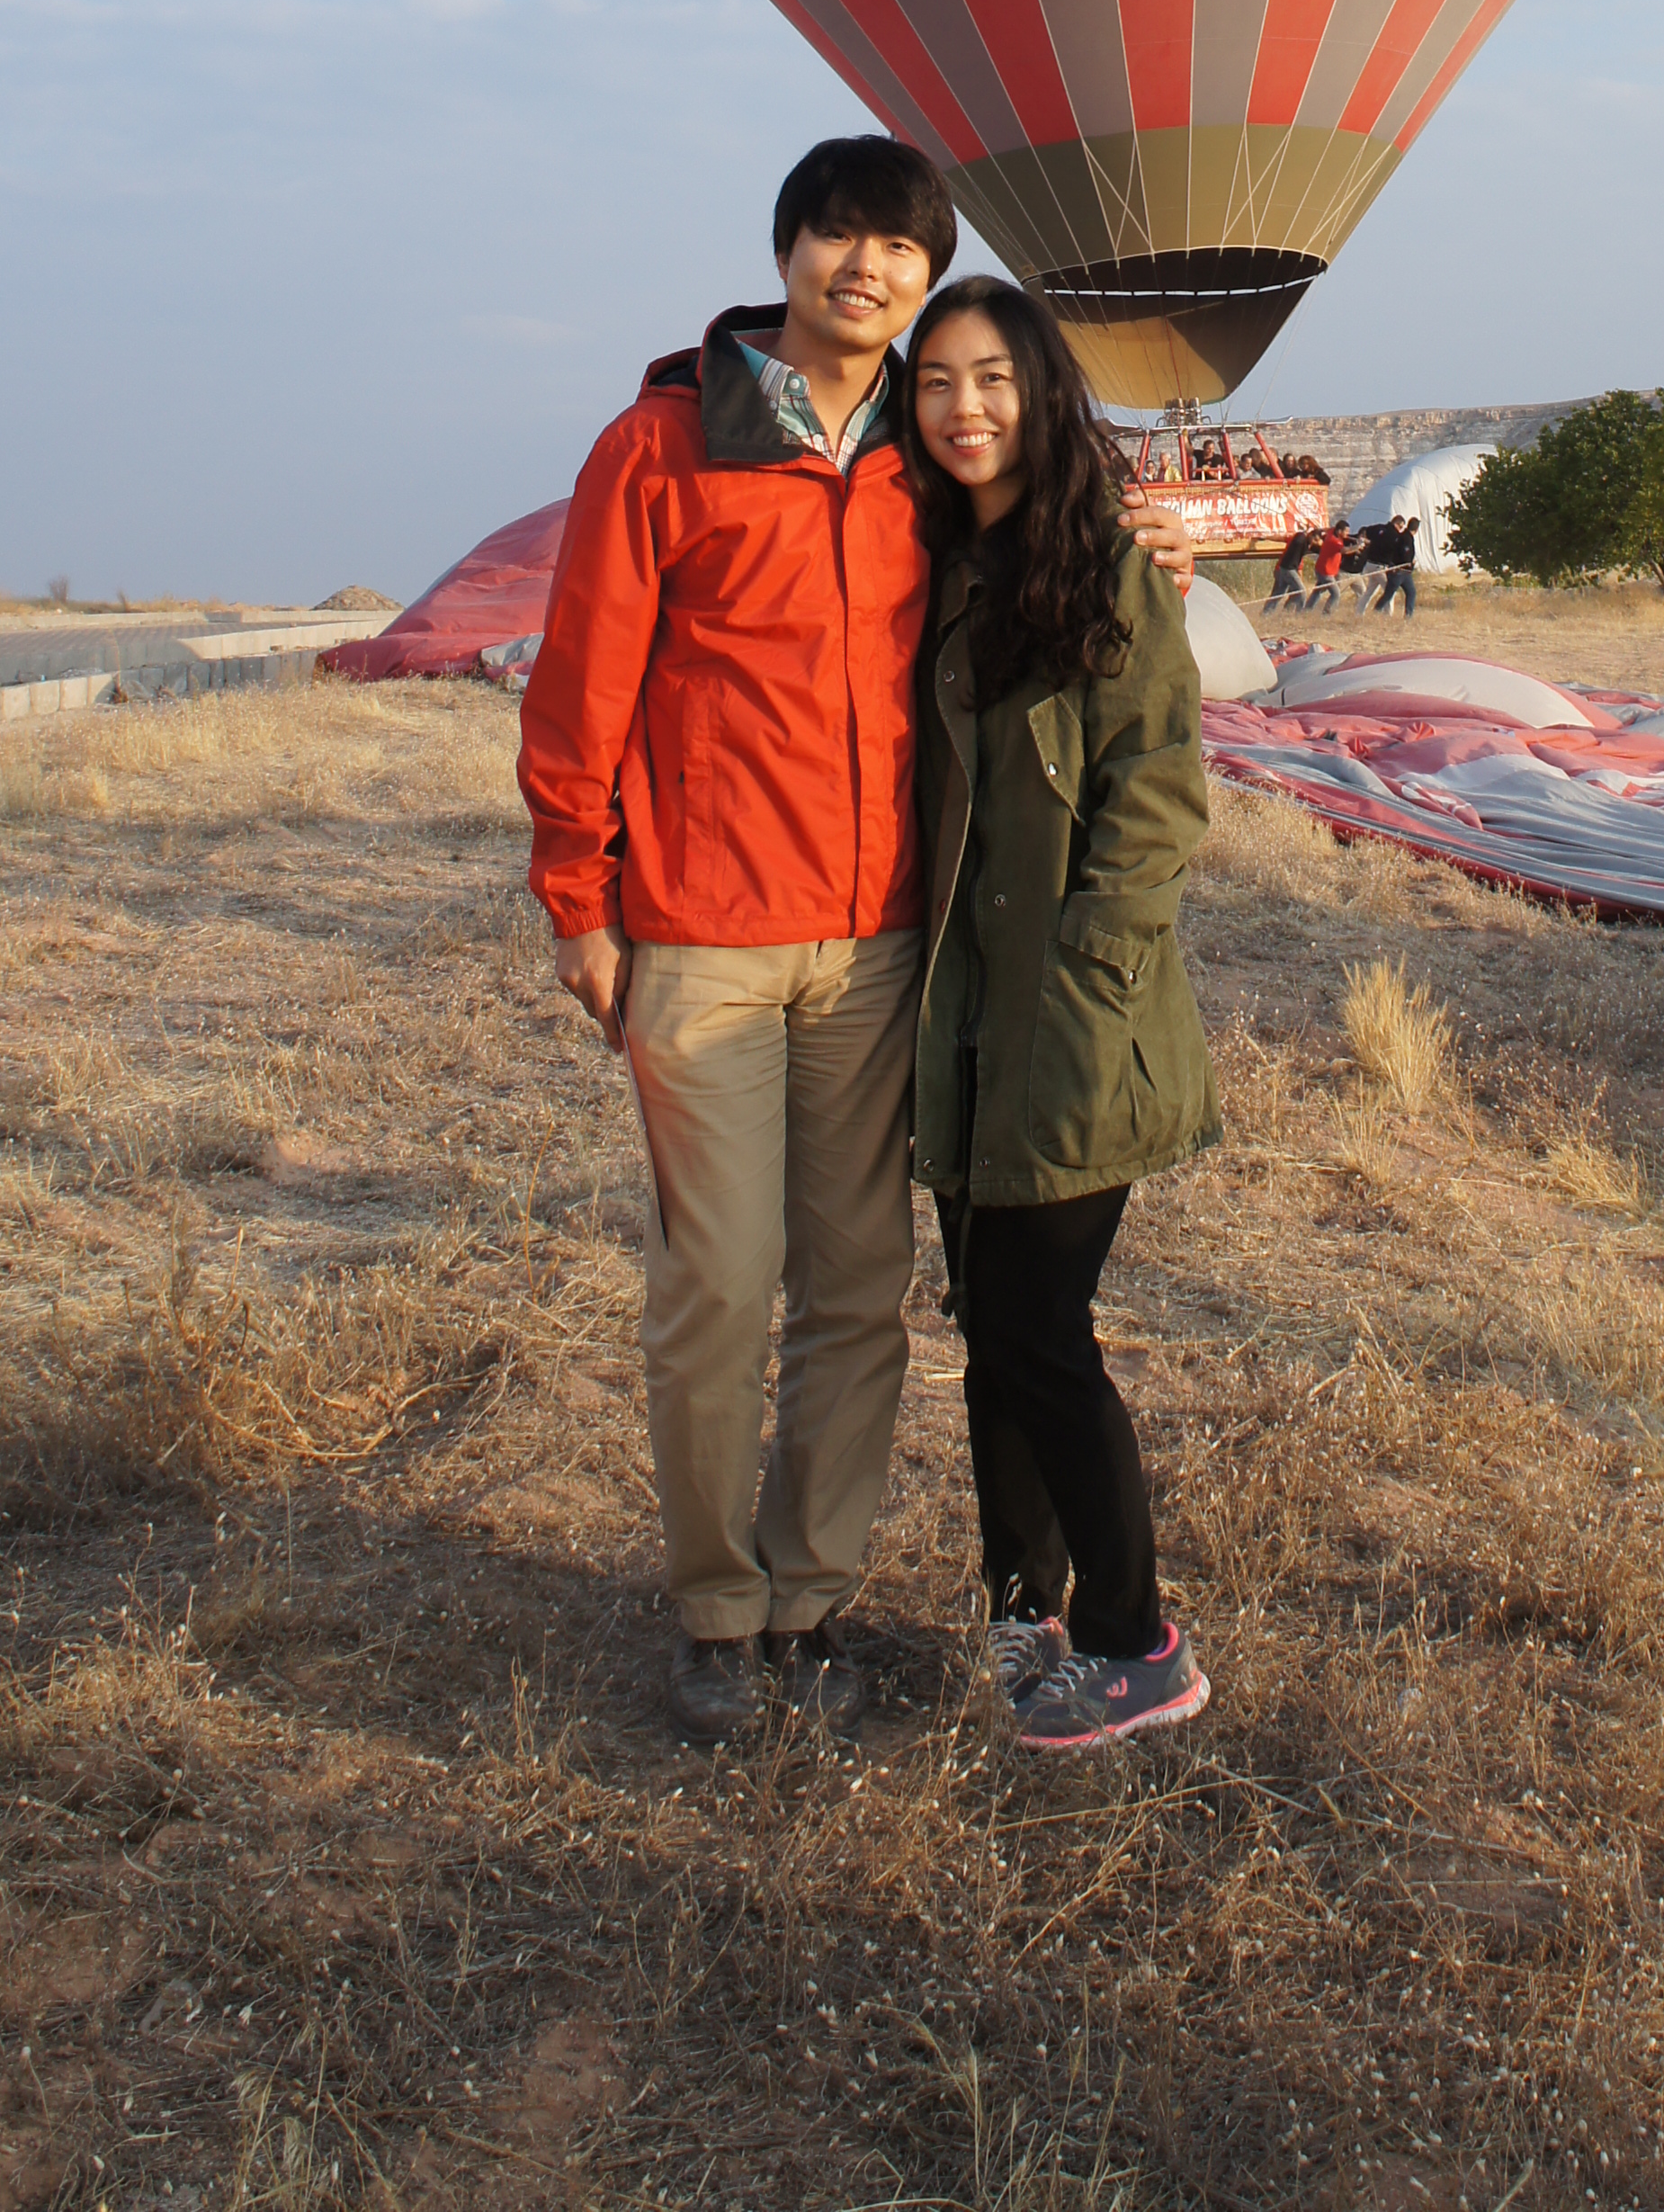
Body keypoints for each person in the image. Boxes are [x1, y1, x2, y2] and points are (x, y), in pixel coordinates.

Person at [516, 134, 1193, 1748]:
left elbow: (1046, 539)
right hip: (702, 934)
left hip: (886, 944)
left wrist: (1144, 547)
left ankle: (810, 1600)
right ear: (789, 250)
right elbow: (582, 681)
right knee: (716, 1286)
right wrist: (579, 899)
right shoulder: (665, 443)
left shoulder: (923, 456)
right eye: (840, 237)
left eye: (900, 249)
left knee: (860, 1290)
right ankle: (715, 1612)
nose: (867, 269)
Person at [904, 275, 1220, 1751]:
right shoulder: (934, 564)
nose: (963, 409)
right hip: (963, 1007)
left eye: (992, 379)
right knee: (991, 1323)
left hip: (1077, 1009)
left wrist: (1096, 963)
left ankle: (1134, 1640)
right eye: (934, 383)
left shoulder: (1110, 560)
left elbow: (1157, 782)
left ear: (1042, 391)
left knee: (1040, 1326)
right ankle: (1023, 1612)